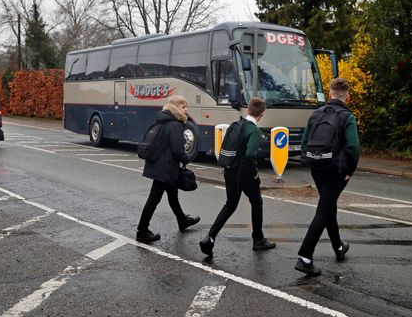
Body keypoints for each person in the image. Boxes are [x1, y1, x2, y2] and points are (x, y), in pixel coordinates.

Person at [295, 78, 360, 277]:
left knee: (328, 205)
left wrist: (312, 161)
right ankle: (305, 257)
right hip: (336, 170)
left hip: (317, 167)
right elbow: (353, 147)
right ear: (347, 97)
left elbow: (305, 143)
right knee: (324, 210)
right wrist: (351, 170)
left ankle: (338, 247)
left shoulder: (315, 114)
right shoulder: (347, 117)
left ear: (330, 94)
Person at [199, 97, 276, 257]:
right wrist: (255, 174)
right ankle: (258, 240)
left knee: (230, 204)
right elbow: (250, 155)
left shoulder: (236, 125)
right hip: (245, 172)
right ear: (261, 114)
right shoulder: (254, 131)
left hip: (230, 169)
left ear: (248, 109)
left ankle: (210, 238)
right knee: (256, 202)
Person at [136, 95, 200, 243]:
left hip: (161, 165)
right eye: (183, 107)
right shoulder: (175, 125)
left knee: (172, 195)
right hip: (164, 168)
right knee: (154, 198)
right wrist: (186, 159)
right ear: (176, 108)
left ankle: (182, 220)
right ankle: (142, 231)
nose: (186, 110)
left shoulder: (164, 120)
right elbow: (178, 150)